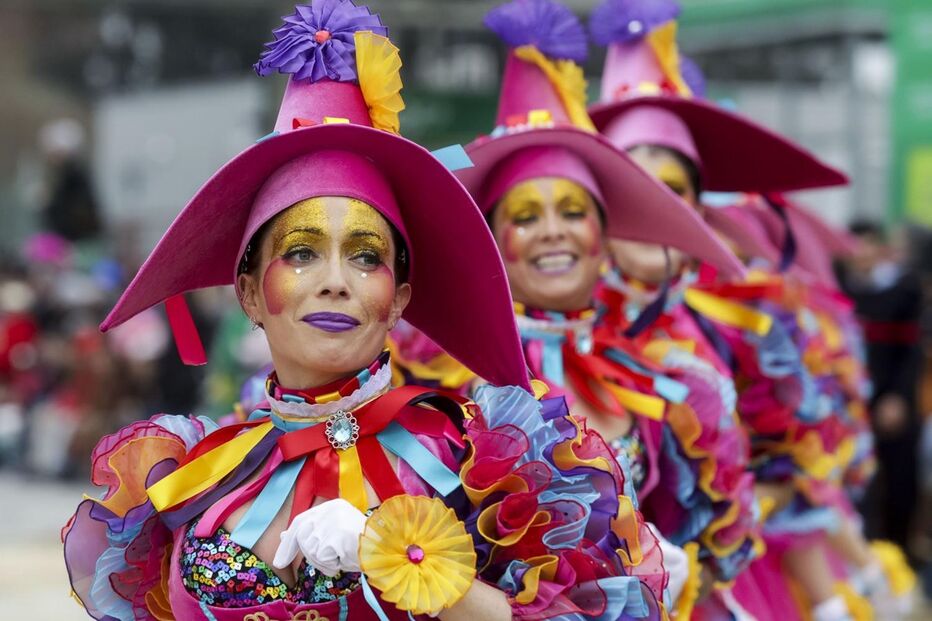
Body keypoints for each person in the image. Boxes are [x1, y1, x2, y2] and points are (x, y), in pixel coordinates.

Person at [62, 3, 670, 619]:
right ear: (247, 292)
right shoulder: (190, 480)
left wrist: (403, 559)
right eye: (301, 254)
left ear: (399, 297)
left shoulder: (479, 464)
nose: (335, 283)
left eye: (365, 257)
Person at [395, 1, 757, 617]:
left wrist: (682, 566)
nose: (552, 234)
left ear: (603, 235)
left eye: (572, 212)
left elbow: (706, 528)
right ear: (492, 240)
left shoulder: (668, 376)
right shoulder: (432, 372)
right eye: (526, 218)